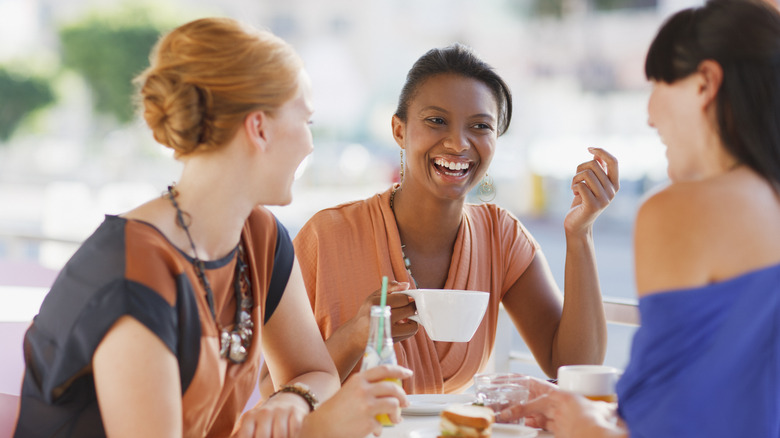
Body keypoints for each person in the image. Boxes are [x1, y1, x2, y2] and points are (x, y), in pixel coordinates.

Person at [13, 17, 410, 438]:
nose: (311, 144)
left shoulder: (262, 238)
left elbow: (315, 372)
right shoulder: (131, 275)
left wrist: (293, 401)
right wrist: (318, 430)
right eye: (306, 122)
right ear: (259, 127)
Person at [267, 43, 620, 395]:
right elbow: (272, 391)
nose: (458, 143)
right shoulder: (327, 236)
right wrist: (357, 335)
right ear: (399, 130)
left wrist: (580, 234)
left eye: (480, 126)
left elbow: (574, 365)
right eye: (436, 121)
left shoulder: (501, 237)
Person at [506, 1, 780, 437]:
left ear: (706, 83)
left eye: (657, 84)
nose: (650, 115)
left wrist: (583, 424)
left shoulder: (677, 210)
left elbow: (660, 420)